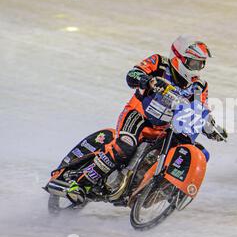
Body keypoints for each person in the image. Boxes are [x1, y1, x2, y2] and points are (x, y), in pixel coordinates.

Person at [67, 35, 226, 202]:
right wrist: (148, 81)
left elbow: (201, 108)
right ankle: (81, 183)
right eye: (193, 63)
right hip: (138, 116)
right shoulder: (159, 63)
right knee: (125, 145)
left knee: (193, 150)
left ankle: (164, 190)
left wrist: (211, 126)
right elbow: (132, 74)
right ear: (179, 57)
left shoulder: (200, 86)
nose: (197, 68)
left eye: (201, 63)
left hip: (165, 129)